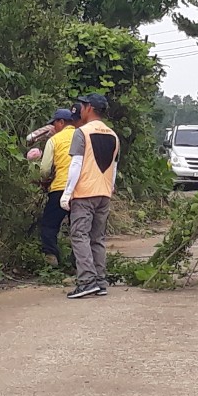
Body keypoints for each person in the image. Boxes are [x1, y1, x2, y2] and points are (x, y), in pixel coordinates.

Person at [60, 93, 120, 299]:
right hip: (104, 193)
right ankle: (100, 281)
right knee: (97, 238)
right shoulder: (113, 135)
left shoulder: (82, 133)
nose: (81, 109)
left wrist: (67, 193)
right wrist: (109, 188)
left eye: (83, 105)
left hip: (84, 193)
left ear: (90, 108)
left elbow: (76, 164)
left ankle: (86, 281)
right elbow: (114, 166)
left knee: (79, 235)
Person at [37, 108, 76, 267]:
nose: (53, 128)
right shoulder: (84, 136)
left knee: (49, 224)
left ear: (61, 122)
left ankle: (51, 257)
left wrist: (45, 181)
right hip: (80, 190)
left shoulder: (54, 140)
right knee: (79, 228)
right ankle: (78, 263)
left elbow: (45, 169)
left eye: (54, 124)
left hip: (60, 189)